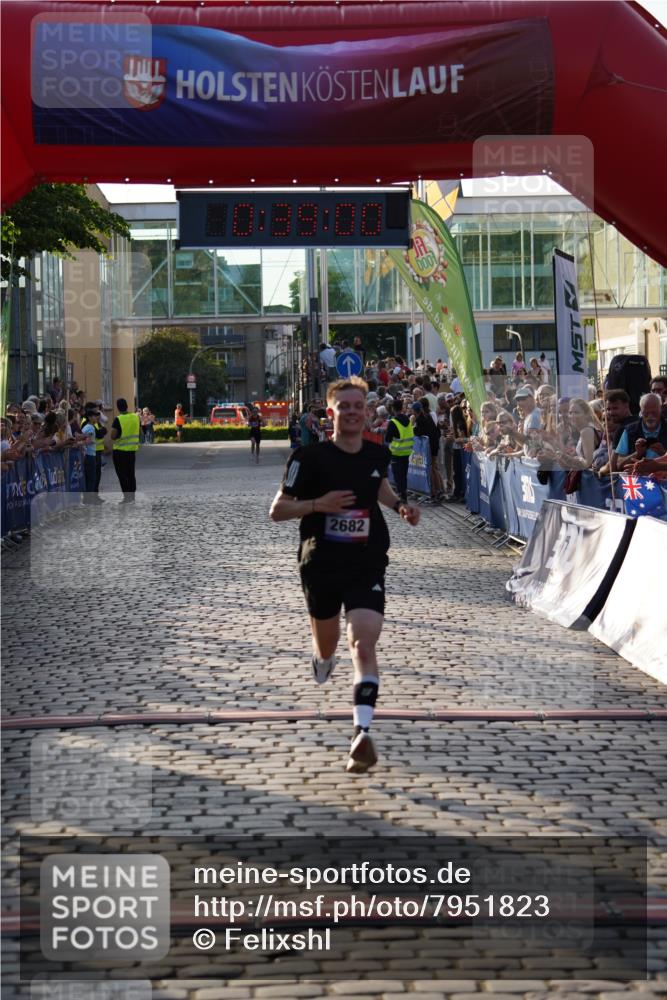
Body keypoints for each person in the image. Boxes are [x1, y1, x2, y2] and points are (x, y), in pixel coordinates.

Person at [269, 377, 420, 774]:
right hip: (320, 562)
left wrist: (401, 506)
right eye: (345, 407)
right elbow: (278, 510)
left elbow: (380, 489)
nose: (353, 412)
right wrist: (321, 504)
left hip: (366, 560)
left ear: (366, 412)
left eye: (359, 406)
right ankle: (321, 659)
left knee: (363, 644)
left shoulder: (375, 453)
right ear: (330, 413)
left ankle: (361, 732)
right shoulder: (309, 457)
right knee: (328, 646)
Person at [613, 392, 667, 472]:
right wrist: (637, 453)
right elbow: (619, 465)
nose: (650, 416)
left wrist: (663, 453)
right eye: (646, 413)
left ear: (661, 409)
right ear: (641, 411)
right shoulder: (630, 431)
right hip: (636, 481)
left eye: (654, 413)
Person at [384, 396, 413, 504]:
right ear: (402, 408)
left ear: (393, 409)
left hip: (396, 452)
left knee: (397, 475)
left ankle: (402, 495)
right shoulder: (408, 420)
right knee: (404, 474)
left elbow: (387, 438)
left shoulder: (393, 422)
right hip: (407, 452)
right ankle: (403, 494)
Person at [111, 398, 140, 501]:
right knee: (130, 473)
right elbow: (139, 430)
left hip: (120, 451)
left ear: (118, 407)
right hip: (132, 451)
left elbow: (113, 436)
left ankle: (127, 497)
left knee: (122, 474)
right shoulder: (135, 417)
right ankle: (132, 494)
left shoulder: (118, 419)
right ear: (127, 405)